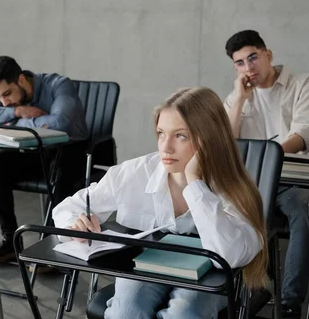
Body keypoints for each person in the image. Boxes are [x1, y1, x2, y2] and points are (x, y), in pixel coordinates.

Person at [53, 87, 268, 319]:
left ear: (209, 138)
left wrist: (195, 183)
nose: (165, 147)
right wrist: (76, 225)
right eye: (161, 133)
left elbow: (230, 256)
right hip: (146, 266)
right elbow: (69, 207)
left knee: (185, 313)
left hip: (210, 276)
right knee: (125, 312)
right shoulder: (134, 173)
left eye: (180, 136)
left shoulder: (232, 186)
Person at [223, 30, 309, 318]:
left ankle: (290, 303)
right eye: (240, 63)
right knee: (220, 207)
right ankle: (247, 288)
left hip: (298, 177)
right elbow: (229, 144)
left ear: (268, 55)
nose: (248, 68)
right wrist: (240, 102)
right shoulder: (238, 97)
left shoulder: (304, 83)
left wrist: (270, 157)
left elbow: (305, 132)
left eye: (253, 58)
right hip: (258, 181)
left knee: (303, 212)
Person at [0, 56, 89, 263]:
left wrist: (16, 120)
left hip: (74, 151)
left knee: (59, 169)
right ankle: (10, 241)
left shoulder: (59, 85)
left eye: (7, 95)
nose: (4, 102)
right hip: (38, 152)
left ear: (21, 80)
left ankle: (51, 247)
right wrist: (18, 110)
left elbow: (60, 122)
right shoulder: (9, 97)